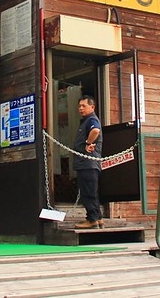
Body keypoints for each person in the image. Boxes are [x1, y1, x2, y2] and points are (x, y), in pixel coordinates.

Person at [73, 95, 103, 229]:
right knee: (92, 192)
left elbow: (95, 130)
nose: (80, 108)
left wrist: (87, 143)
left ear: (92, 107)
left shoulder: (91, 119)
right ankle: (98, 218)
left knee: (87, 193)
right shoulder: (86, 121)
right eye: (79, 106)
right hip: (88, 164)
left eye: (83, 106)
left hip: (87, 163)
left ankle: (92, 219)